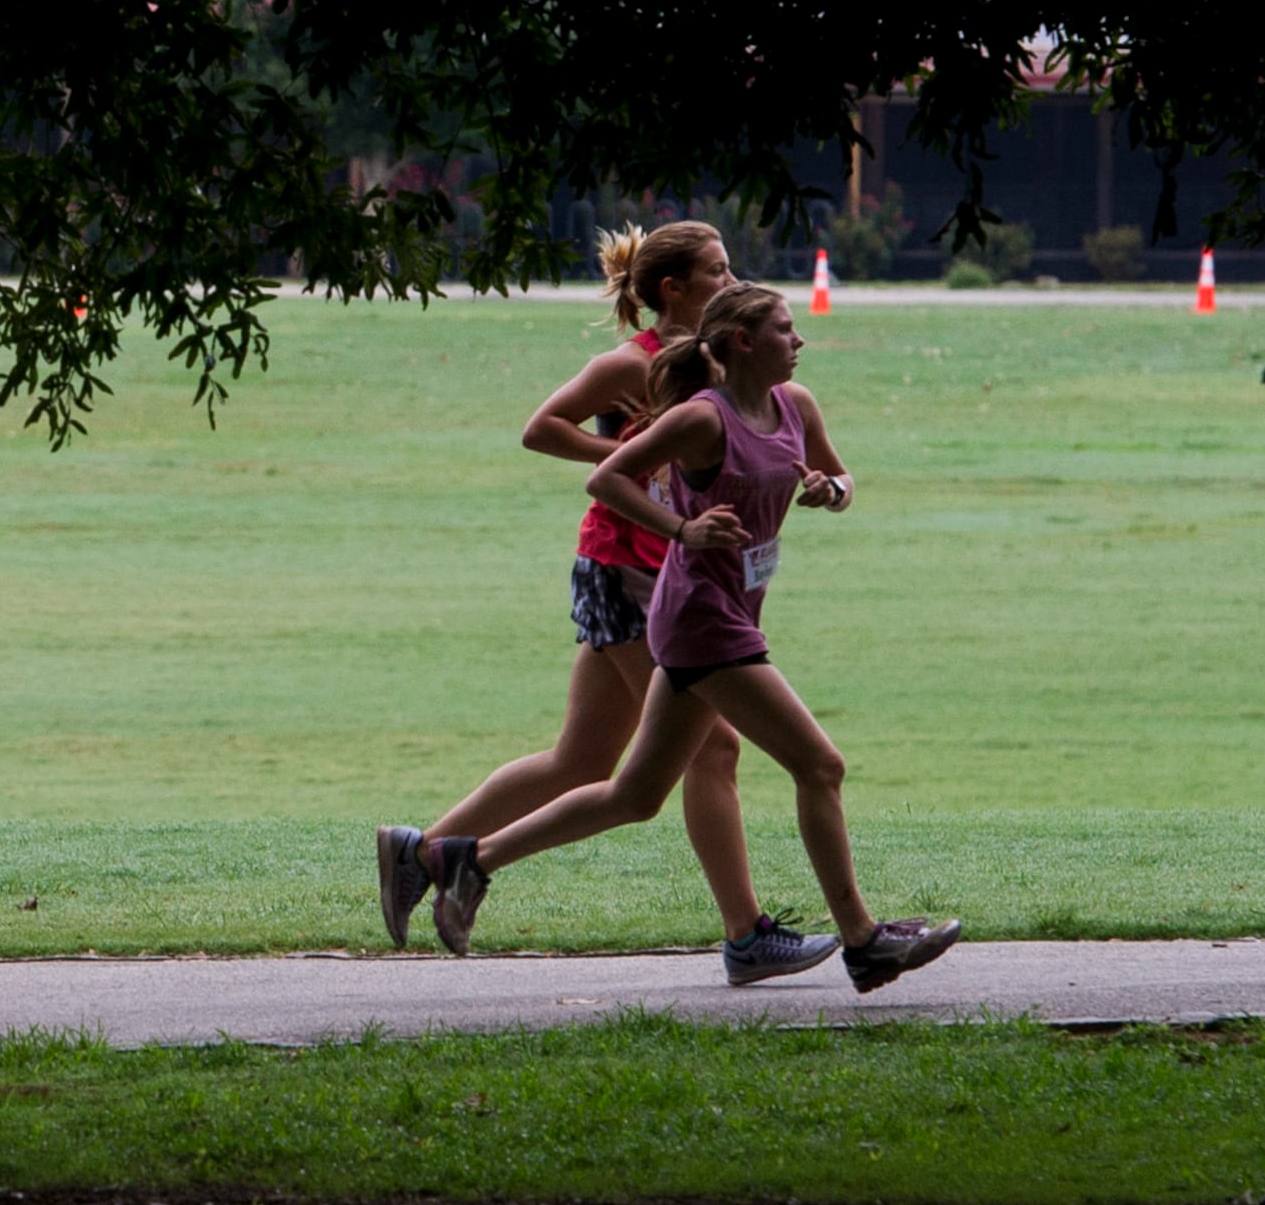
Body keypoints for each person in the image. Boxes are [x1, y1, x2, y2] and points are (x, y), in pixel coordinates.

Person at [411, 284, 961, 992]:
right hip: (702, 618)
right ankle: (864, 941)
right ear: (741, 342)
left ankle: (471, 861)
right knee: (820, 765)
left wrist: (832, 491)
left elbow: (842, 474)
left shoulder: (797, 406)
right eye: (786, 331)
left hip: (733, 607)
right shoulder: (704, 419)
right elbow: (609, 477)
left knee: (635, 795)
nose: (800, 341)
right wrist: (683, 528)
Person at [374, 221, 767, 963]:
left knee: (580, 762)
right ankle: (748, 935)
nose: (732, 279)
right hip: (624, 566)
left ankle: (422, 854)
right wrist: (618, 450)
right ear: (671, 290)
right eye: (717, 271)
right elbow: (541, 428)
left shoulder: (710, 361)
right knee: (713, 745)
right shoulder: (631, 363)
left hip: (661, 566)